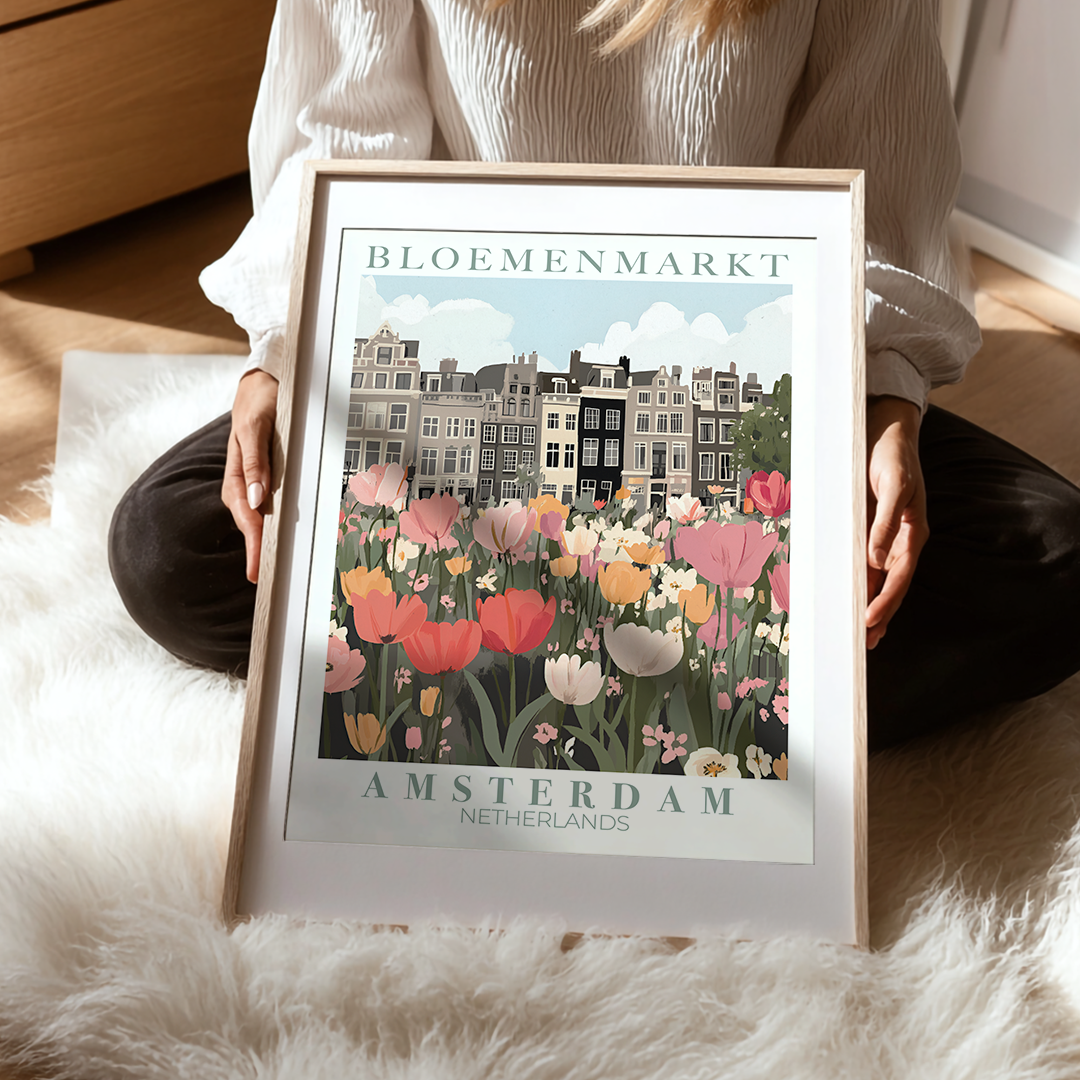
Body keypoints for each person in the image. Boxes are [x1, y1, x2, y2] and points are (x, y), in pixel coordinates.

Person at [108, 0, 1080, 749]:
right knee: (177, 546)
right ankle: (701, 700)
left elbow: (875, 173)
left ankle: (512, 689)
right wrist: (283, 357)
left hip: (732, 396)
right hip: (477, 389)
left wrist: (880, 405)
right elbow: (339, 142)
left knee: (1055, 561)